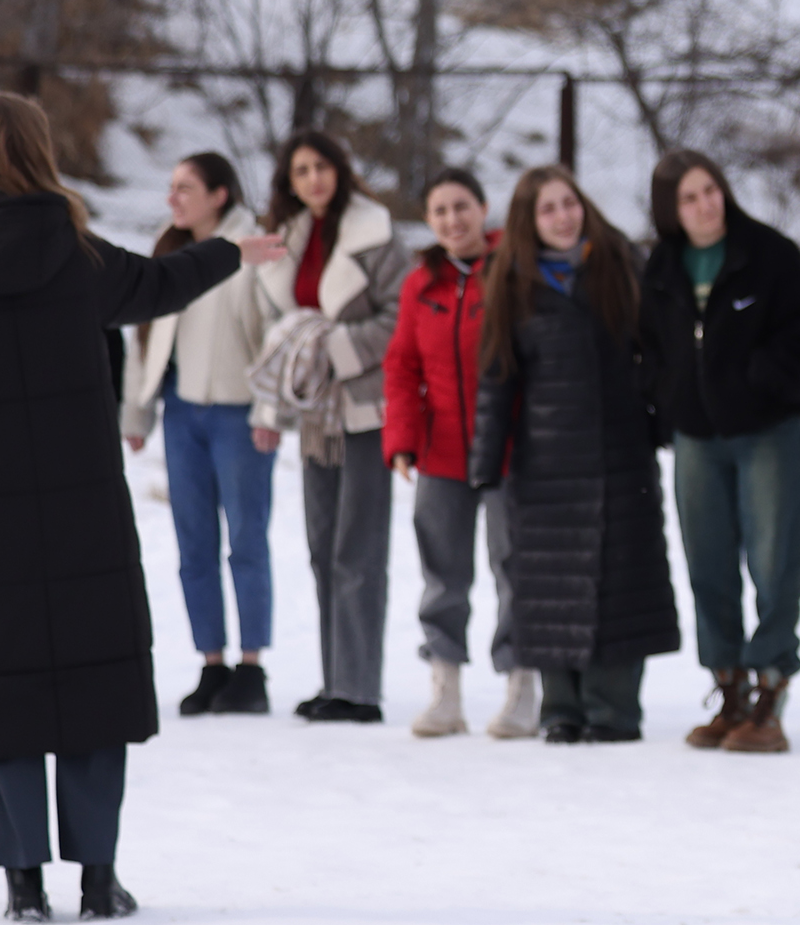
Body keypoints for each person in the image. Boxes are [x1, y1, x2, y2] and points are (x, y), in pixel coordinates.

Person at [0, 92, 273, 921]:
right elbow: (157, 286)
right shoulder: (72, 251)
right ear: (36, 152)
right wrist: (230, 252)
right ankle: (98, 877)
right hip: (80, 502)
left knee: (0, 687)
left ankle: (22, 883)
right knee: (92, 680)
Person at [468, 165, 686, 746]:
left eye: (569, 203)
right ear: (529, 222)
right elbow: (496, 377)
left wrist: (663, 423)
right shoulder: (511, 281)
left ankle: (612, 709)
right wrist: (485, 462)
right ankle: (561, 707)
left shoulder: (620, 264)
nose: (563, 217)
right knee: (550, 588)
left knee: (620, 581)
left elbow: (658, 352)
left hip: (620, 454)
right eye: (548, 209)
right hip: (546, 463)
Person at [643, 149, 800, 754]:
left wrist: (766, 382)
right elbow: (649, 347)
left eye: (711, 190)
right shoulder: (662, 268)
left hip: (765, 432)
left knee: (777, 561)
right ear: (670, 209)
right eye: (689, 198)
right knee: (708, 564)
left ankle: (770, 688)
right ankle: (728, 689)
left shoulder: (769, 254)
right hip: (696, 439)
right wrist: (667, 402)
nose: (705, 205)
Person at [246, 130, 410, 723]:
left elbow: (399, 314)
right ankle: (334, 678)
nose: (313, 179)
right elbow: (276, 331)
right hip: (315, 411)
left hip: (364, 408)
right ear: (289, 183)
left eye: (321, 167)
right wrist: (269, 410)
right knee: (323, 547)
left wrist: (335, 347)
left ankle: (359, 689)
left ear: (340, 170)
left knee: (357, 548)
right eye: (301, 171)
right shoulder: (289, 239)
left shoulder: (375, 233)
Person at [117, 150, 279, 716]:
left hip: (240, 416)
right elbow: (145, 336)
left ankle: (251, 667)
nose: (173, 198)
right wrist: (136, 415)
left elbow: (276, 335)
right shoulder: (170, 251)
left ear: (219, 195)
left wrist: (269, 413)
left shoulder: (254, 249)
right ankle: (211, 663)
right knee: (193, 544)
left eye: (186, 187)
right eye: (171, 187)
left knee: (247, 540)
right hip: (182, 414)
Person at [383, 167, 534, 741]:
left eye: (462, 206)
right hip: (440, 452)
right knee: (442, 573)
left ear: (483, 208)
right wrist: (401, 439)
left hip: (508, 450)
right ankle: (444, 689)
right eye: (440, 211)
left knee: (513, 567)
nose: (453, 220)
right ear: (428, 219)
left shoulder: (513, 271)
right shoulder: (420, 284)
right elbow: (402, 365)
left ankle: (522, 686)